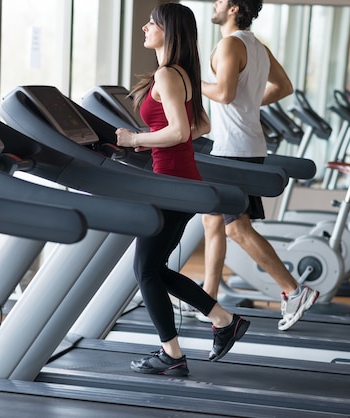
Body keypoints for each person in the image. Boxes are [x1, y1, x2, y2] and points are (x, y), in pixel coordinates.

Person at [115, 2, 250, 376]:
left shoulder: (167, 75)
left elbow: (178, 131)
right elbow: (200, 126)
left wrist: (134, 138)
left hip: (171, 184)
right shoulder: (181, 73)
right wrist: (155, 141)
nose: (144, 27)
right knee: (153, 269)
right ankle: (222, 321)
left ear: (167, 31)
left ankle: (174, 354)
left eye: (152, 23)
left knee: (144, 271)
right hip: (178, 180)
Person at [196, 0, 318, 331]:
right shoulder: (257, 46)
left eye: (220, 0)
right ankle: (209, 297)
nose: (214, 4)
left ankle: (294, 291)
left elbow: (222, 94)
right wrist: (249, 103)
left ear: (234, 8)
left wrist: (190, 83)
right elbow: (284, 87)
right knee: (213, 221)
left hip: (231, 148)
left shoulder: (231, 44)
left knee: (236, 227)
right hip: (244, 144)